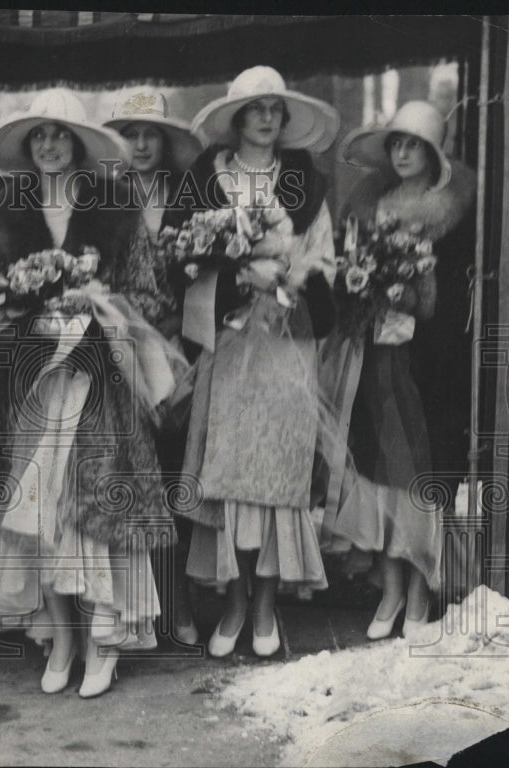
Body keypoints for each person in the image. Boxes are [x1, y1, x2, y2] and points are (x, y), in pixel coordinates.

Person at [0, 89, 184, 698]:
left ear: (78, 145)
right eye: (38, 135)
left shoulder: (116, 209)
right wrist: (23, 313)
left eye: (60, 135)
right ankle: (61, 636)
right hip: (39, 378)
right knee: (42, 509)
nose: (48, 145)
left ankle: (103, 638)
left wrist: (98, 312)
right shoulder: (9, 217)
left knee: (95, 508)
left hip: (101, 379)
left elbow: (152, 297)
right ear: (28, 145)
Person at [169, 66, 339, 658]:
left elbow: (324, 258)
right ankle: (234, 603)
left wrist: (289, 275)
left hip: (288, 341)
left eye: (275, 109)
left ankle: (265, 607)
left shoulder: (304, 181)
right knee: (232, 476)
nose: (267, 118)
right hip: (229, 341)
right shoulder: (204, 179)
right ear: (237, 118)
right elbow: (180, 253)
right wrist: (237, 270)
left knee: (277, 476)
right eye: (256, 109)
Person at [322, 101, 475, 639]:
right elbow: (347, 270)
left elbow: (453, 296)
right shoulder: (370, 204)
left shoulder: (452, 213)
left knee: (418, 468)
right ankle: (388, 590)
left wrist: (411, 292)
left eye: (414, 145)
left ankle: (418, 590)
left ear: (434, 153)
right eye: (396, 144)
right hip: (374, 349)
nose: (404, 153)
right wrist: (362, 288)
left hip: (427, 356)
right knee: (376, 464)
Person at [104, 90, 202, 645]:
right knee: (133, 473)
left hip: (179, 340)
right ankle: (140, 600)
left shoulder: (186, 195)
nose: (140, 145)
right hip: (120, 343)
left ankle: (181, 599)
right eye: (130, 134)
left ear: (164, 142)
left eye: (150, 134)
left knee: (177, 467)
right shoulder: (102, 199)